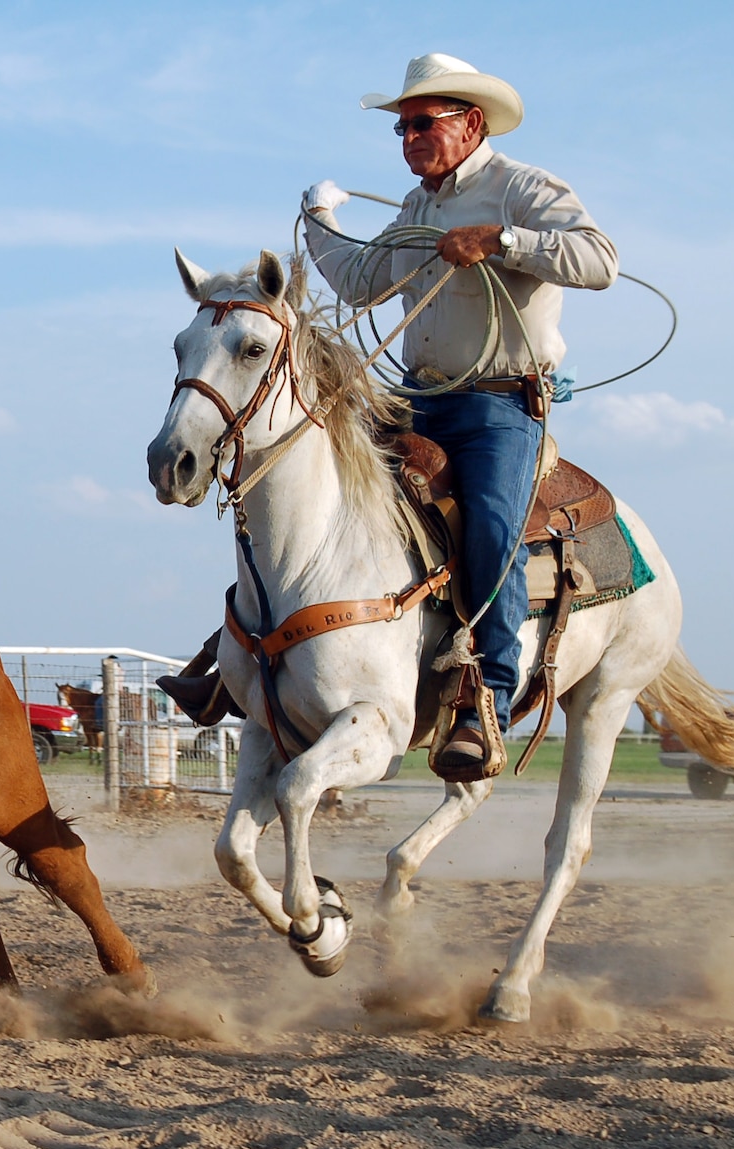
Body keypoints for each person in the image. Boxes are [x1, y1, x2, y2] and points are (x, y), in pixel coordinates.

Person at [303, 53, 617, 775]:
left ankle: (488, 700)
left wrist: (504, 241)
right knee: (318, 491)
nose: (408, 137)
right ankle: (252, 660)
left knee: (491, 526)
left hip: (499, 404)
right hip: (417, 397)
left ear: (470, 123)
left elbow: (599, 259)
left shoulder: (524, 189)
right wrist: (319, 219)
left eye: (422, 122)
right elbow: (358, 283)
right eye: (402, 127)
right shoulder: (414, 210)